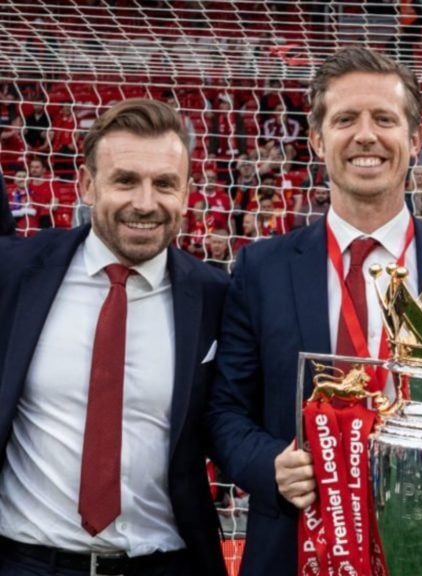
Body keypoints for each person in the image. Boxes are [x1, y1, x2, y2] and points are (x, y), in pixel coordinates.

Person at [205, 47, 422, 576]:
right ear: (317, 140)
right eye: (345, 120)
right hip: (296, 547)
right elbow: (225, 411)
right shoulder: (261, 269)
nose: (366, 136)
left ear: (414, 139)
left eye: (384, 119)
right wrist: (271, 466)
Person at [0, 99, 228, 575]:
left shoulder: (215, 298)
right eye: (125, 180)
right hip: (26, 561)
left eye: (164, 184)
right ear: (87, 185)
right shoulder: (16, 274)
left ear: (187, 192)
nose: (145, 203)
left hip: (162, 562)